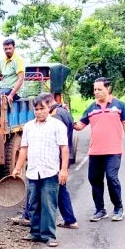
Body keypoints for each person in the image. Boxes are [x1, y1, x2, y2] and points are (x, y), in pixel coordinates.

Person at [74, 78, 125, 222]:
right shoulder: (91, 108)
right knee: (94, 179)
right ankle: (100, 210)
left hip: (113, 151)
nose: (96, 92)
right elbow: (80, 126)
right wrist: (66, 117)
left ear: (108, 89)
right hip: (95, 152)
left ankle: (118, 208)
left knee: (112, 178)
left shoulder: (119, 105)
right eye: (94, 89)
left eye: (99, 89)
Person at [12, 96, 68, 247]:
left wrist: (63, 170)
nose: (38, 112)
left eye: (42, 108)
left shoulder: (57, 126)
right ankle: (35, 232)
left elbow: (64, 148)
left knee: (49, 204)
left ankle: (49, 235)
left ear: (49, 107)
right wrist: (17, 168)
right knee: (33, 203)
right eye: (36, 109)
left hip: (50, 171)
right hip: (33, 172)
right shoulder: (29, 126)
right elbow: (24, 149)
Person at [50, 93, 78, 229]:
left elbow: (60, 143)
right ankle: (70, 219)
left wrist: (63, 168)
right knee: (60, 189)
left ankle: (28, 217)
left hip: (58, 159)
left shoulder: (55, 118)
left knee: (40, 187)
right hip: (63, 159)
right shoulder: (65, 112)